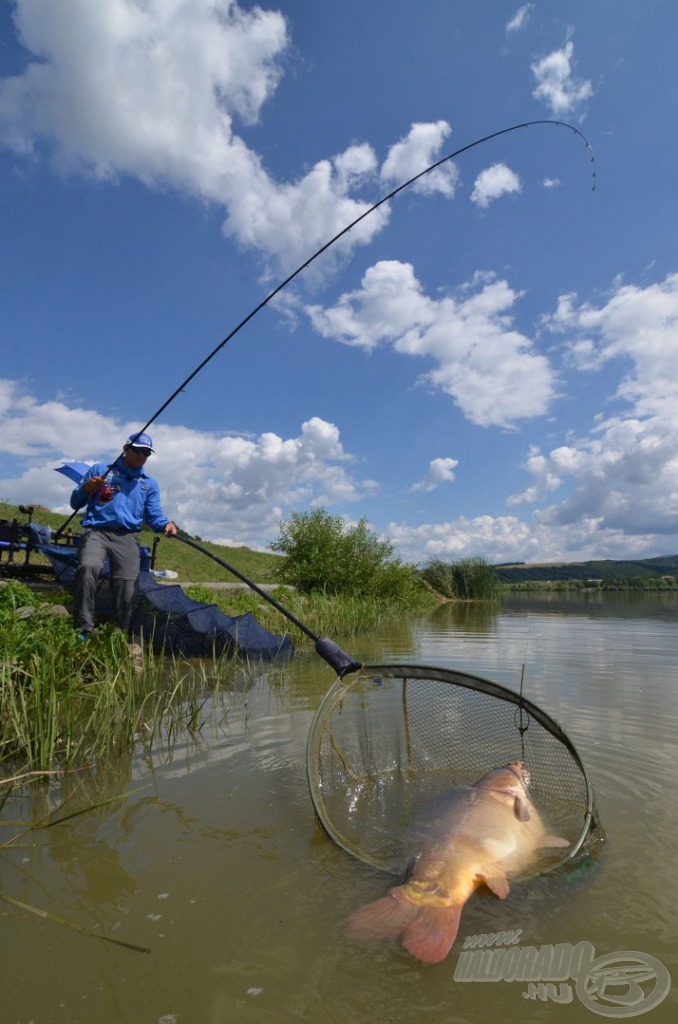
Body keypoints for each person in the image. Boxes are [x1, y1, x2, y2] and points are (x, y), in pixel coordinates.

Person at [70, 432, 177, 638]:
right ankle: (83, 628)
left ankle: (119, 633)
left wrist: (165, 524)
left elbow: (154, 516)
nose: (141, 455)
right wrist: (86, 488)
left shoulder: (149, 483)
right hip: (97, 530)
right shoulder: (101, 470)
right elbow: (75, 502)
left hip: (127, 537)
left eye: (146, 453)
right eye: (137, 450)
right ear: (125, 449)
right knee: (88, 566)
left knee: (127, 585)